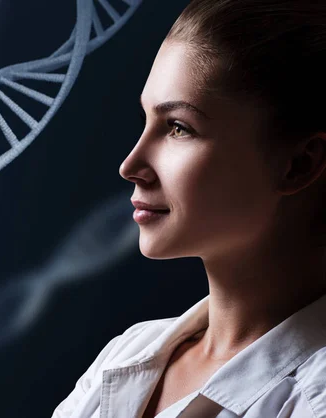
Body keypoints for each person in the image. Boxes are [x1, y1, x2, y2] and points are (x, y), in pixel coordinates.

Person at [51, 0, 326, 417]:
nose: (131, 166)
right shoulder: (125, 358)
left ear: (299, 163)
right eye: (145, 121)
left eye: (179, 127)